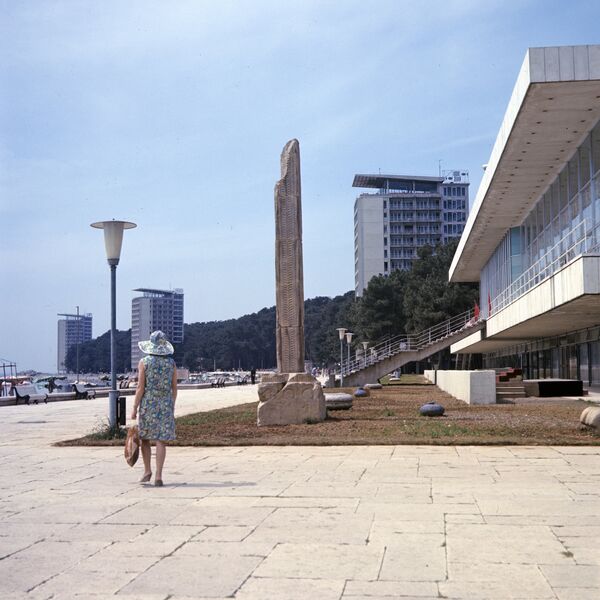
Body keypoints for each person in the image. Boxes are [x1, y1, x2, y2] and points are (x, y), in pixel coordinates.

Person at [130, 331, 177, 487]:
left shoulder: (145, 362)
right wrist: (172, 404)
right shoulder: (171, 363)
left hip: (148, 404)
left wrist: (134, 408)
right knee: (161, 440)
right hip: (165, 403)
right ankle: (158, 475)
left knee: (145, 439)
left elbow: (140, 388)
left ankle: (147, 471)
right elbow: (174, 388)